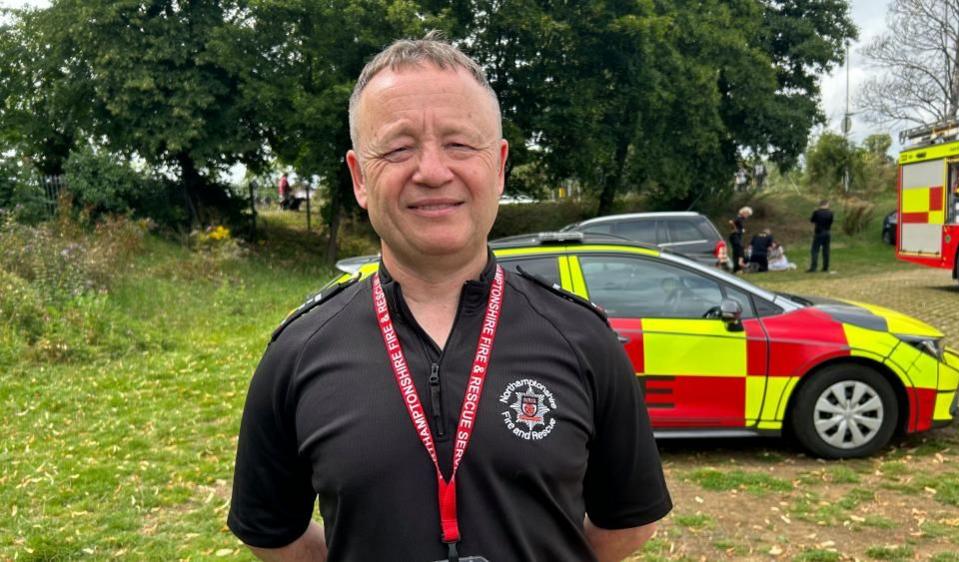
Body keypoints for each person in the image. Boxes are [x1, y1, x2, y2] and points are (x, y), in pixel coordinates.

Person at [227, 33, 671, 562]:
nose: (433, 172)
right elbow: (270, 533)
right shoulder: (298, 354)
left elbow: (628, 523)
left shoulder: (582, 340)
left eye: (460, 144)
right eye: (397, 148)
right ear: (359, 177)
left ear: (500, 165)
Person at [808, 200, 834, 272]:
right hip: (827, 232)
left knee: (815, 250)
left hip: (819, 233)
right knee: (826, 250)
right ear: (827, 204)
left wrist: (814, 212)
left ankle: (814, 268)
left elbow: (812, 220)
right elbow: (831, 222)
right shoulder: (830, 213)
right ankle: (825, 267)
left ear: (820, 205)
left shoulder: (817, 212)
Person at [728, 206, 752, 273]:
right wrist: (736, 229)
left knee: (736, 252)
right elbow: (731, 222)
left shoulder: (741, 219)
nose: (747, 216)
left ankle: (736, 268)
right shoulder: (739, 218)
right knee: (740, 249)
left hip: (737, 237)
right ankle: (740, 264)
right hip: (735, 236)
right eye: (747, 214)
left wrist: (741, 230)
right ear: (744, 212)